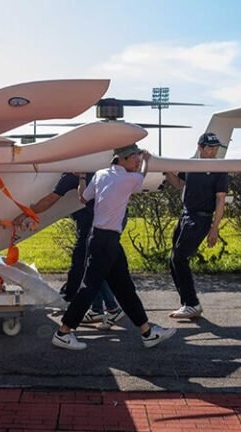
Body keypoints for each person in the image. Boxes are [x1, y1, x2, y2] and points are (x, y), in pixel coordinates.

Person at [52, 144, 176, 350]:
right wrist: (147, 159)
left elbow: (83, 197)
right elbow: (141, 176)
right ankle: (63, 332)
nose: (137, 161)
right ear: (121, 159)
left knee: (125, 287)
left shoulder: (101, 174)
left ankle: (147, 333)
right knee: (89, 287)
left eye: (137, 157)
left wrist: (82, 177)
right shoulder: (128, 178)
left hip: (102, 238)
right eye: (134, 157)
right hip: (106, 241)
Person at [13, 173, 124, 326]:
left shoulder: (73, 174)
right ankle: (98, 309)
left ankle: (112, 308)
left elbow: (50, 199)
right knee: (91, 263)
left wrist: (26, 213)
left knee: (91, 265)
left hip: (96, 224)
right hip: (107, 221)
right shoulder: (91, 170)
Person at [164, 132, 229, 319]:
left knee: (179, 258)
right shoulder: (190, 164)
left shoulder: (219, 169)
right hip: (185, 215)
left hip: (201, 219)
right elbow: (178, 184)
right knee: (173, 259)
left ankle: (192, 303)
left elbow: (220, 201)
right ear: (200, 147)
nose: (214, 151)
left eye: (216, 147)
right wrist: (165, 171)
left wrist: (214, 228)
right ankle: (187, 303)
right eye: (210, 148)